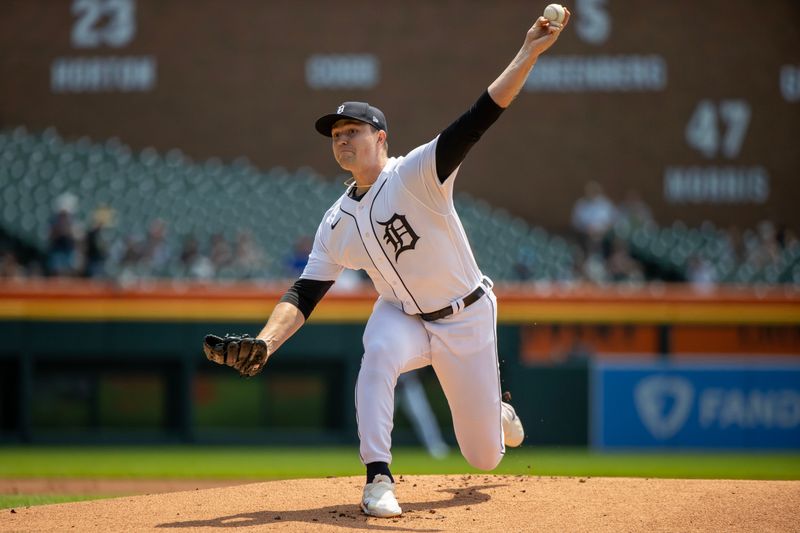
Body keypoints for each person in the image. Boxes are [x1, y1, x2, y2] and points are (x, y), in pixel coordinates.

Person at [203, 10, 570, 518]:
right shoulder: (336, 222)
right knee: (376, 349)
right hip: (402, 315)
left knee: (484, 458)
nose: (343, 139)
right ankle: (378, 476)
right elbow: (304, 292)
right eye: (336, 134)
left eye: (353, 130)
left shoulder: (417, 173)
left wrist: (528, 51)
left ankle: (496, 409)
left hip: (465, 315)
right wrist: (266, 341)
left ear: (381, 139)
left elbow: (480, 117)